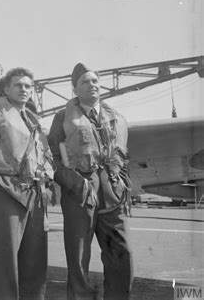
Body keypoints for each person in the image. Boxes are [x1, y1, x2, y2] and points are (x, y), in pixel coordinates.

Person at [48, 63, 133, 300]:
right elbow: (52, 157)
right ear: (75, 90)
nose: (92, 85)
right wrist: (73, 182)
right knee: (79, 260)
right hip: (79, 194)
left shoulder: (115, 118)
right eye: (85, 82)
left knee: (121, 255)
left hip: (112, 194)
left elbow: (123, 155)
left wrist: (123, 184)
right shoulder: (62, 117)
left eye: (95, 81)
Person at [0, 67, 55, 300]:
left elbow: (45, 155)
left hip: (36, 193)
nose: (24, 89)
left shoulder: (34, 120)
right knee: (7, 257)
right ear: (6, 88)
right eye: (18, 85)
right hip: (8, 192)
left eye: (28, 86)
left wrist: (47, 182)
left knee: (36, 256)